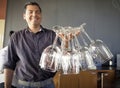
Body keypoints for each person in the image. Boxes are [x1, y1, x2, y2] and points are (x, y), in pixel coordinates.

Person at [4, 2, 61, 88]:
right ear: (24, 16)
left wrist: (66, 42)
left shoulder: (52, 35)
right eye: (30, 12)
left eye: (37, 12)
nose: (34, 14)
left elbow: (61, 57)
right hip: (23, 85)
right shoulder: (15, 37)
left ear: (41, 15)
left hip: (47, 84)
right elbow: (9, 64)